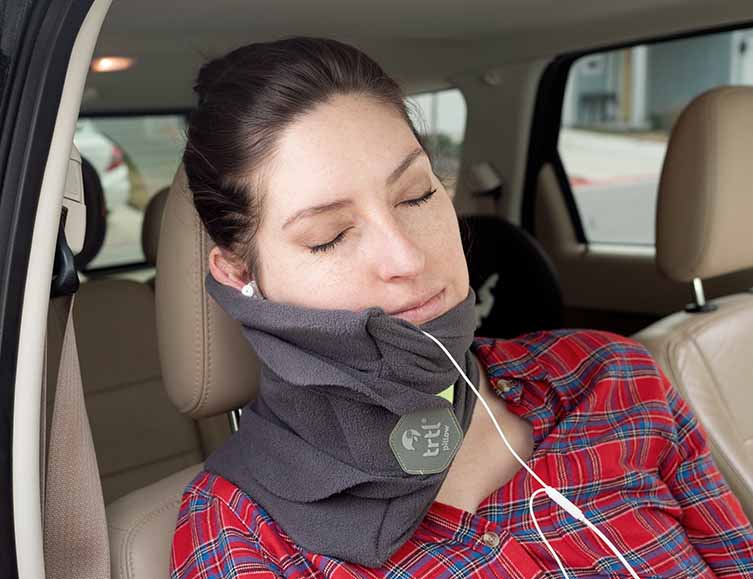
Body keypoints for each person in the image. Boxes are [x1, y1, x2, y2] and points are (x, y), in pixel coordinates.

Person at [169, 37, 753, 578]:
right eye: (328, 235)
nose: (407, 256)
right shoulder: (240, 532)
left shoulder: (610, 377)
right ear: (241, 275)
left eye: (418, 194)